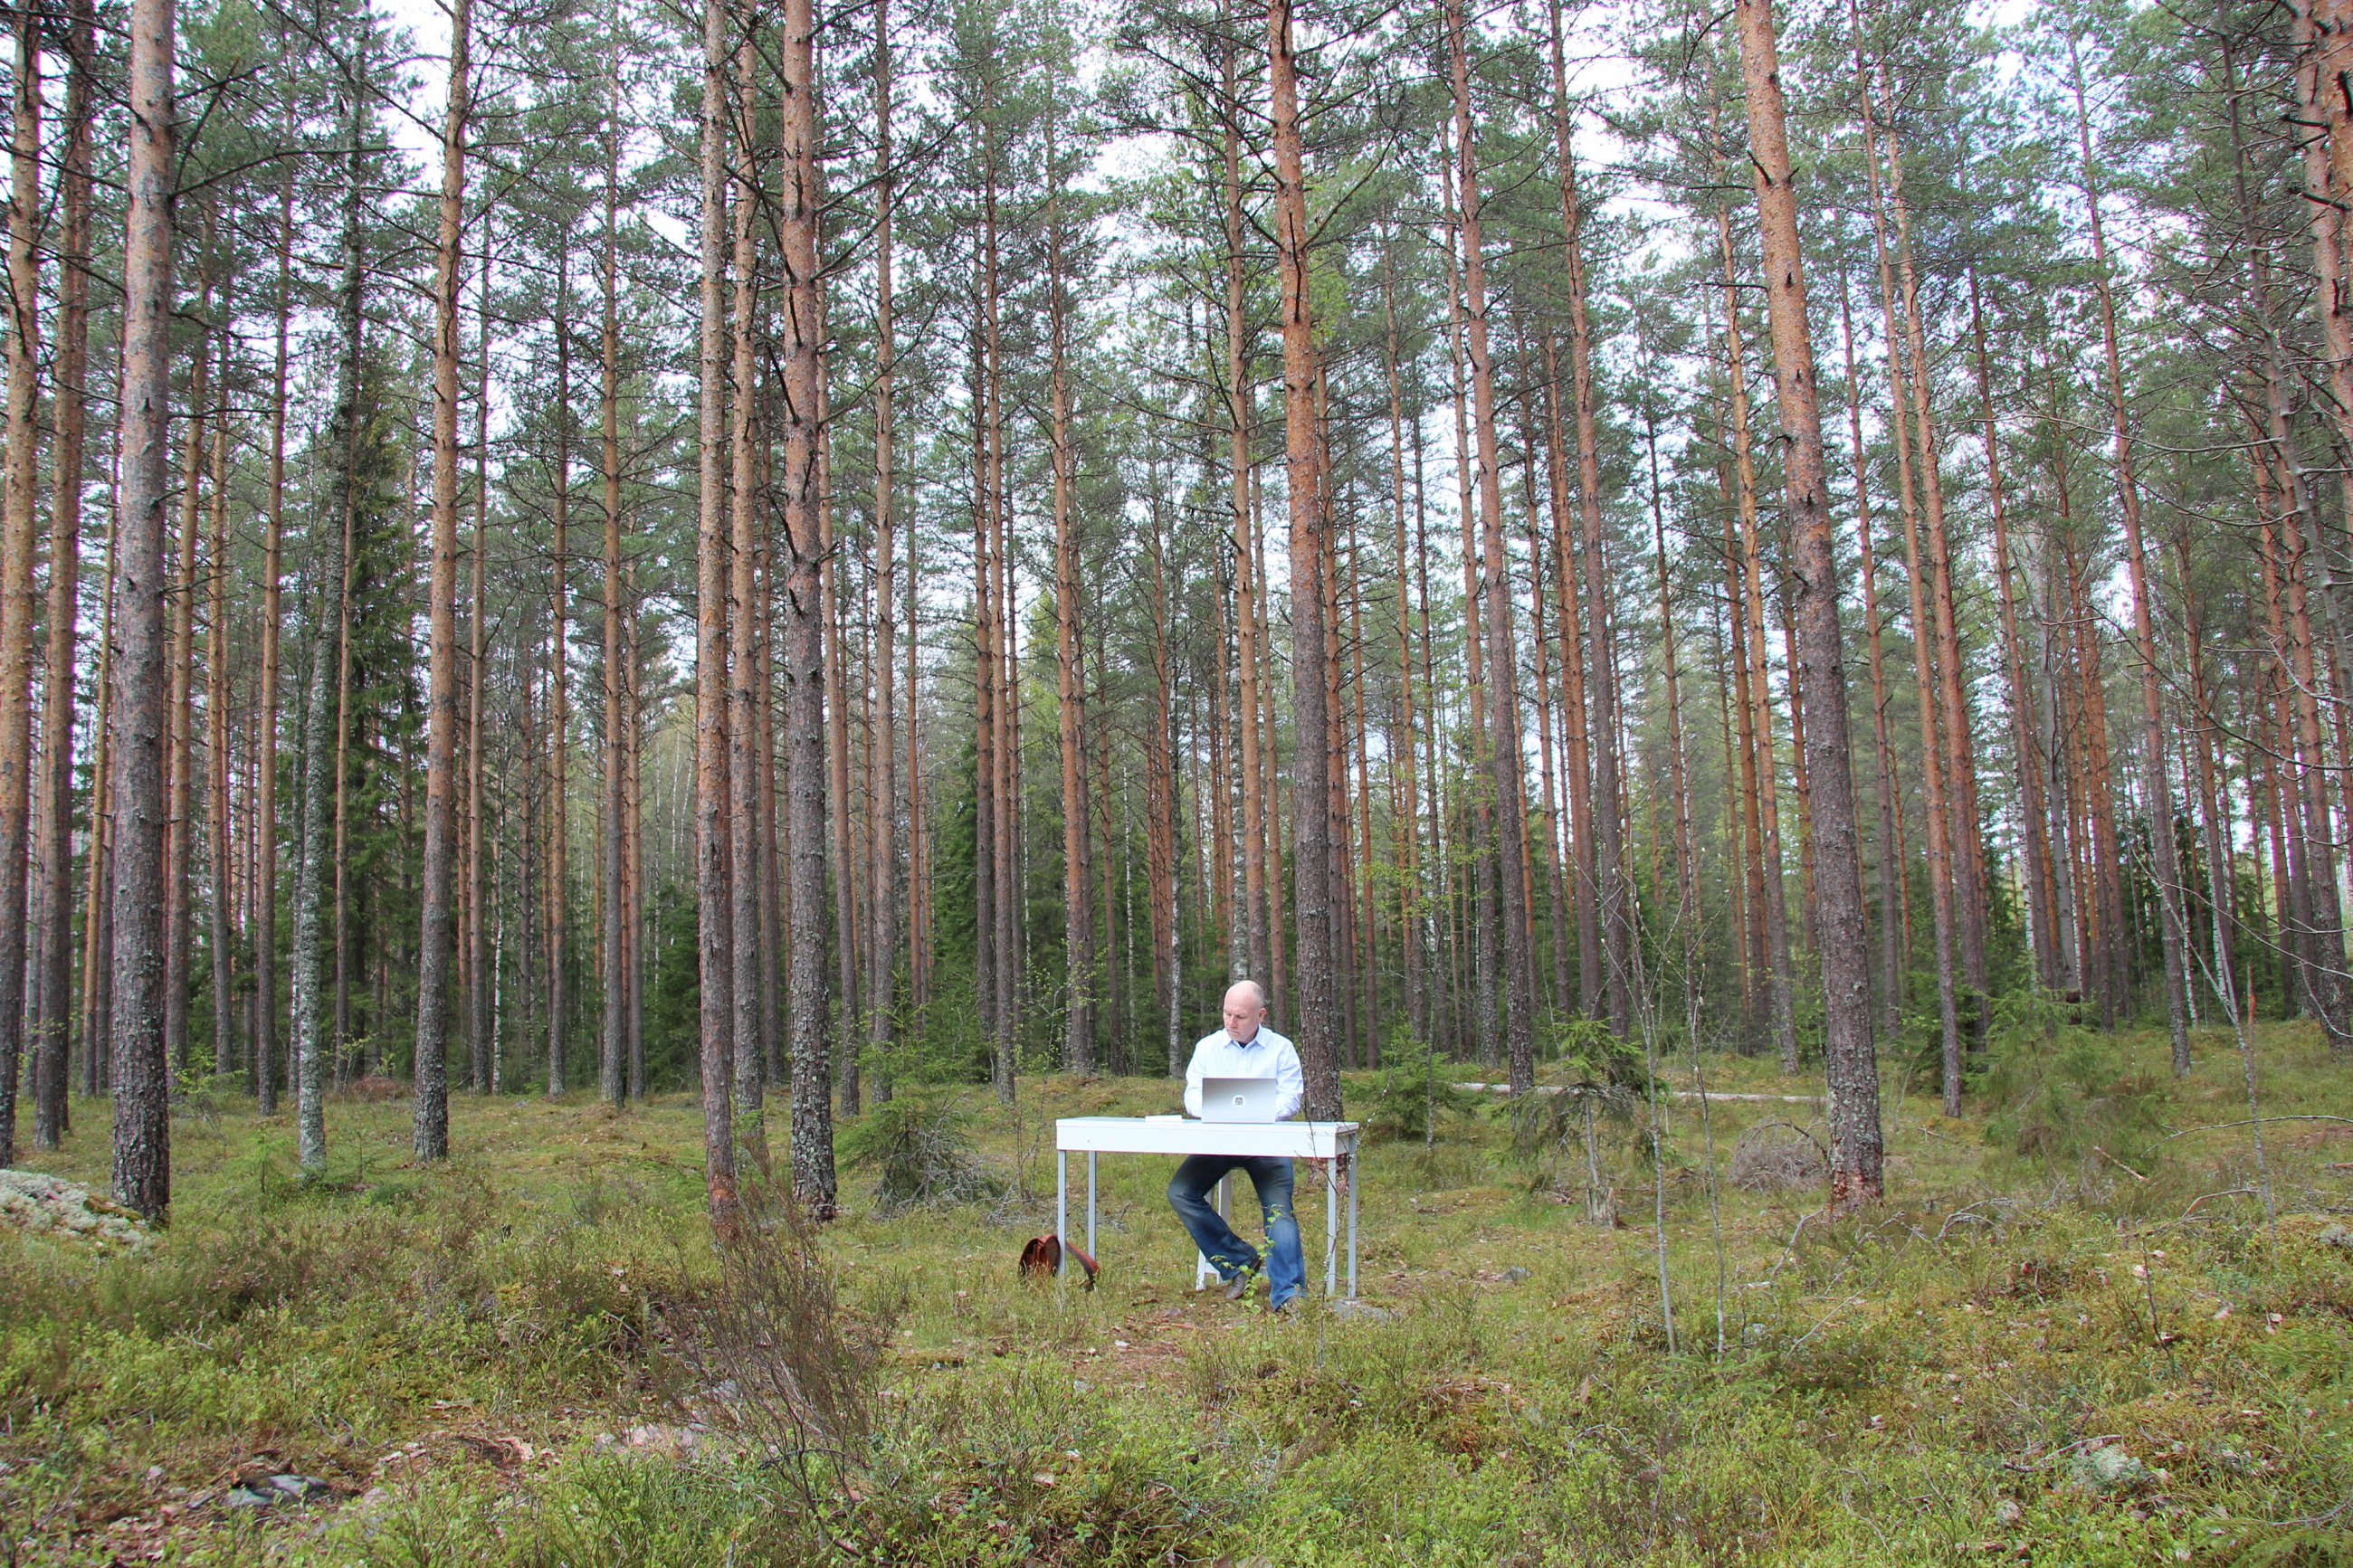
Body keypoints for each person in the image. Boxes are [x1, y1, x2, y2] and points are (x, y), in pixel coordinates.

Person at [1166, 981, 1306, 1309]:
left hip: (1267, 1145)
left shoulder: (1281, 1049)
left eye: (1240, 1016)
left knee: (1279, 1211)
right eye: (1227, 1013)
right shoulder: (1208, 1047)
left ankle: (1289, 1294)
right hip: (1218, 1142)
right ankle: (1239, 1261)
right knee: (1181, 1192)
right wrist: (1218, 1109)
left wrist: (1254, 1111)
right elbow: (1192, 1096)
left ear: (1261, 1015)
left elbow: (1291, 1099)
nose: (1231, 1022)